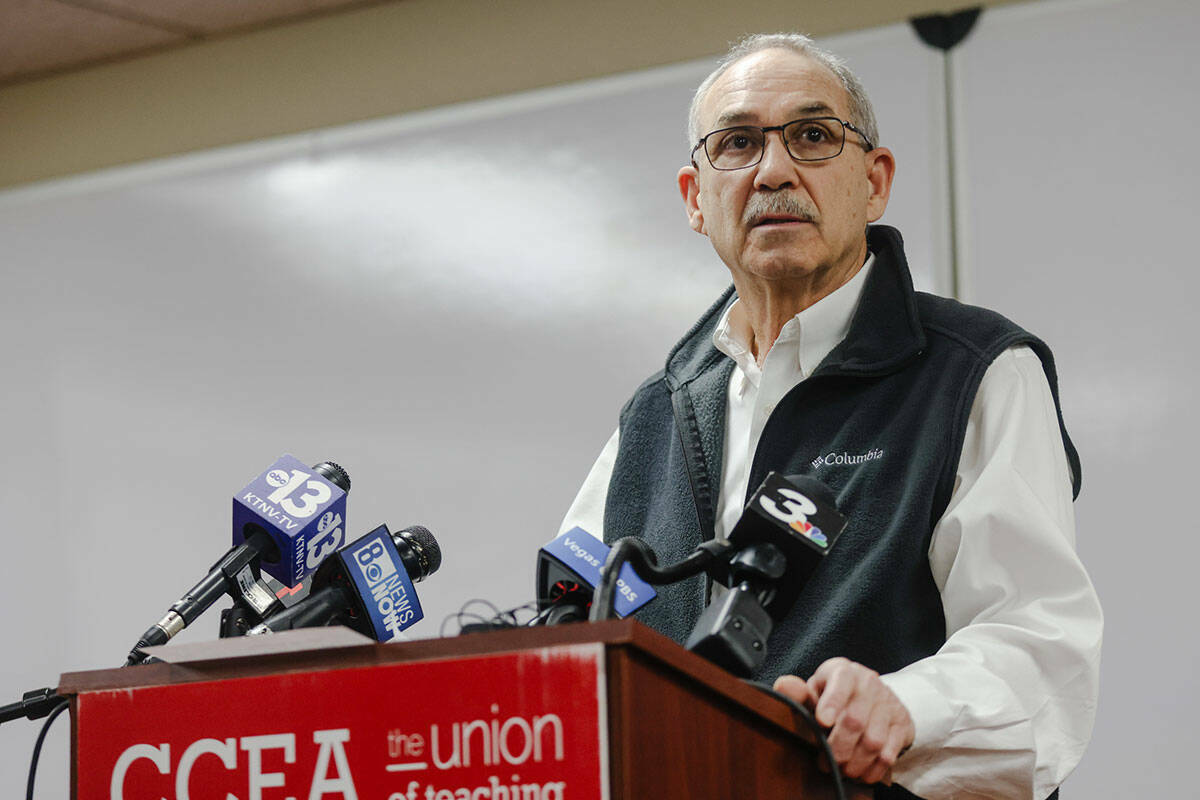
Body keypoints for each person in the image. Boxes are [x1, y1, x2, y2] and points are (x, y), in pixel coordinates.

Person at [559, 33, 1102, 800]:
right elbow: (566, 640)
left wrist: (905, 708)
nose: (774, 171)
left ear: (874, 182)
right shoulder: (653, 415)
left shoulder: (976, 371)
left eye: (813, 137)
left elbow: (1040, 649)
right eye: (738, 143)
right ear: (694, 198)